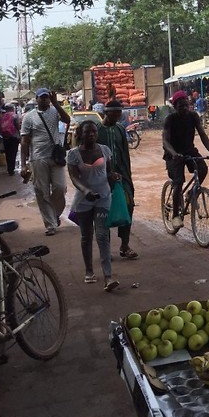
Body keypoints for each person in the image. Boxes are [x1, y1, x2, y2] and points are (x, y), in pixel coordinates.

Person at [67, 120, 119, 291]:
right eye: (88, 132)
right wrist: (86, 191)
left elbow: (109, 171)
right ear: (80, 134)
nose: (91, 135)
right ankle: (89, 270)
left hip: (103, 198)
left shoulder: (104, 150)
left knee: (103, 236)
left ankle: (108, 277)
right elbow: (74, 178)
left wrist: (113, 176)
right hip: (83, 200)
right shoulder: (73, 155)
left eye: (94, 132)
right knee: (86, 236)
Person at [163, 90, 209, 228]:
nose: (183, 109)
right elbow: (165, 141)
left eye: (186, 106)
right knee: (178, 182)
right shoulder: (170, 119)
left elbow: (202, 134)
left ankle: (191, 193)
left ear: (189, 105)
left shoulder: (193, 116)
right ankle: (176, 215)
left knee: (203, 169)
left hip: (189, 151)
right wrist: (174, 154)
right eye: (180, 106)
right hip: (173, 154)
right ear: (175, 107)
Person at [20, 88, 71, 235]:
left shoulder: (55, 111)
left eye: (47, 97)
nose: (44, 100)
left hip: (56, 157)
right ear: (36, 99)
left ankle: (54, 214)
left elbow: (67, 120)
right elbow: (24, 142)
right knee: (42, 192)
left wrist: (56, 104)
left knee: (60, 187)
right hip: (38, 158)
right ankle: (50, 225)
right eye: (41, 98)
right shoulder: (29, 117)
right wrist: (24, 164)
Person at [96, 99, 139, 259]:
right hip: (102, 178)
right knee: (103, 212)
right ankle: (105, 249)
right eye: (114, 113)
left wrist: (128, 177)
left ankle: (125, 245)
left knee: (128, 207)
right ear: (107, 113)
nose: (117, 116)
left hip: (122, 177)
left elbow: (125, 155)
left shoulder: (121, 129)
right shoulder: (97, 130)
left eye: (119, 113)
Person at [0, 104, 20, 175]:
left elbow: (0, 127)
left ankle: (9, 168)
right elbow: (18, 125)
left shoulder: (2, 116)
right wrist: (20, 134)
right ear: (12, 108)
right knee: (13, 153)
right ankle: (12, 169)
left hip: (5, 137)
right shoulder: (15, 115)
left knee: (7, 153)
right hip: (14, 137)